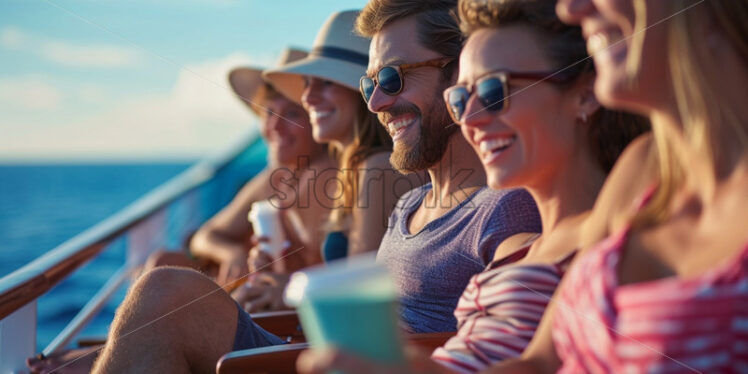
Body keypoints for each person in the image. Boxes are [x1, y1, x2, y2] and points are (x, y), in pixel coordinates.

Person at [295, 0, 649, 373]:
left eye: (495, 90)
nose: (469, 118)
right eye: (461, 98)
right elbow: (535, 364)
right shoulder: (521, 250)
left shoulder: (598, 219)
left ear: (585, 93)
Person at [355, 0, 541, 334]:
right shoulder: (407, 206)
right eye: (369, 84)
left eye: (392, 78)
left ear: (460, 74)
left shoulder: (505, 208)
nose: (375, 103)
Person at [233, 9, 424, 312]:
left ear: (359, 92)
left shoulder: (378, 167)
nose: (308, 97)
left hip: (350, 349)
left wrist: (291, 287)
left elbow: (365, 295)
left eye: (326, 83)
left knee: (169, 289)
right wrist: (289, 274)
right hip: (334, 337)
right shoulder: (356, 168)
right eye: (307, 83)